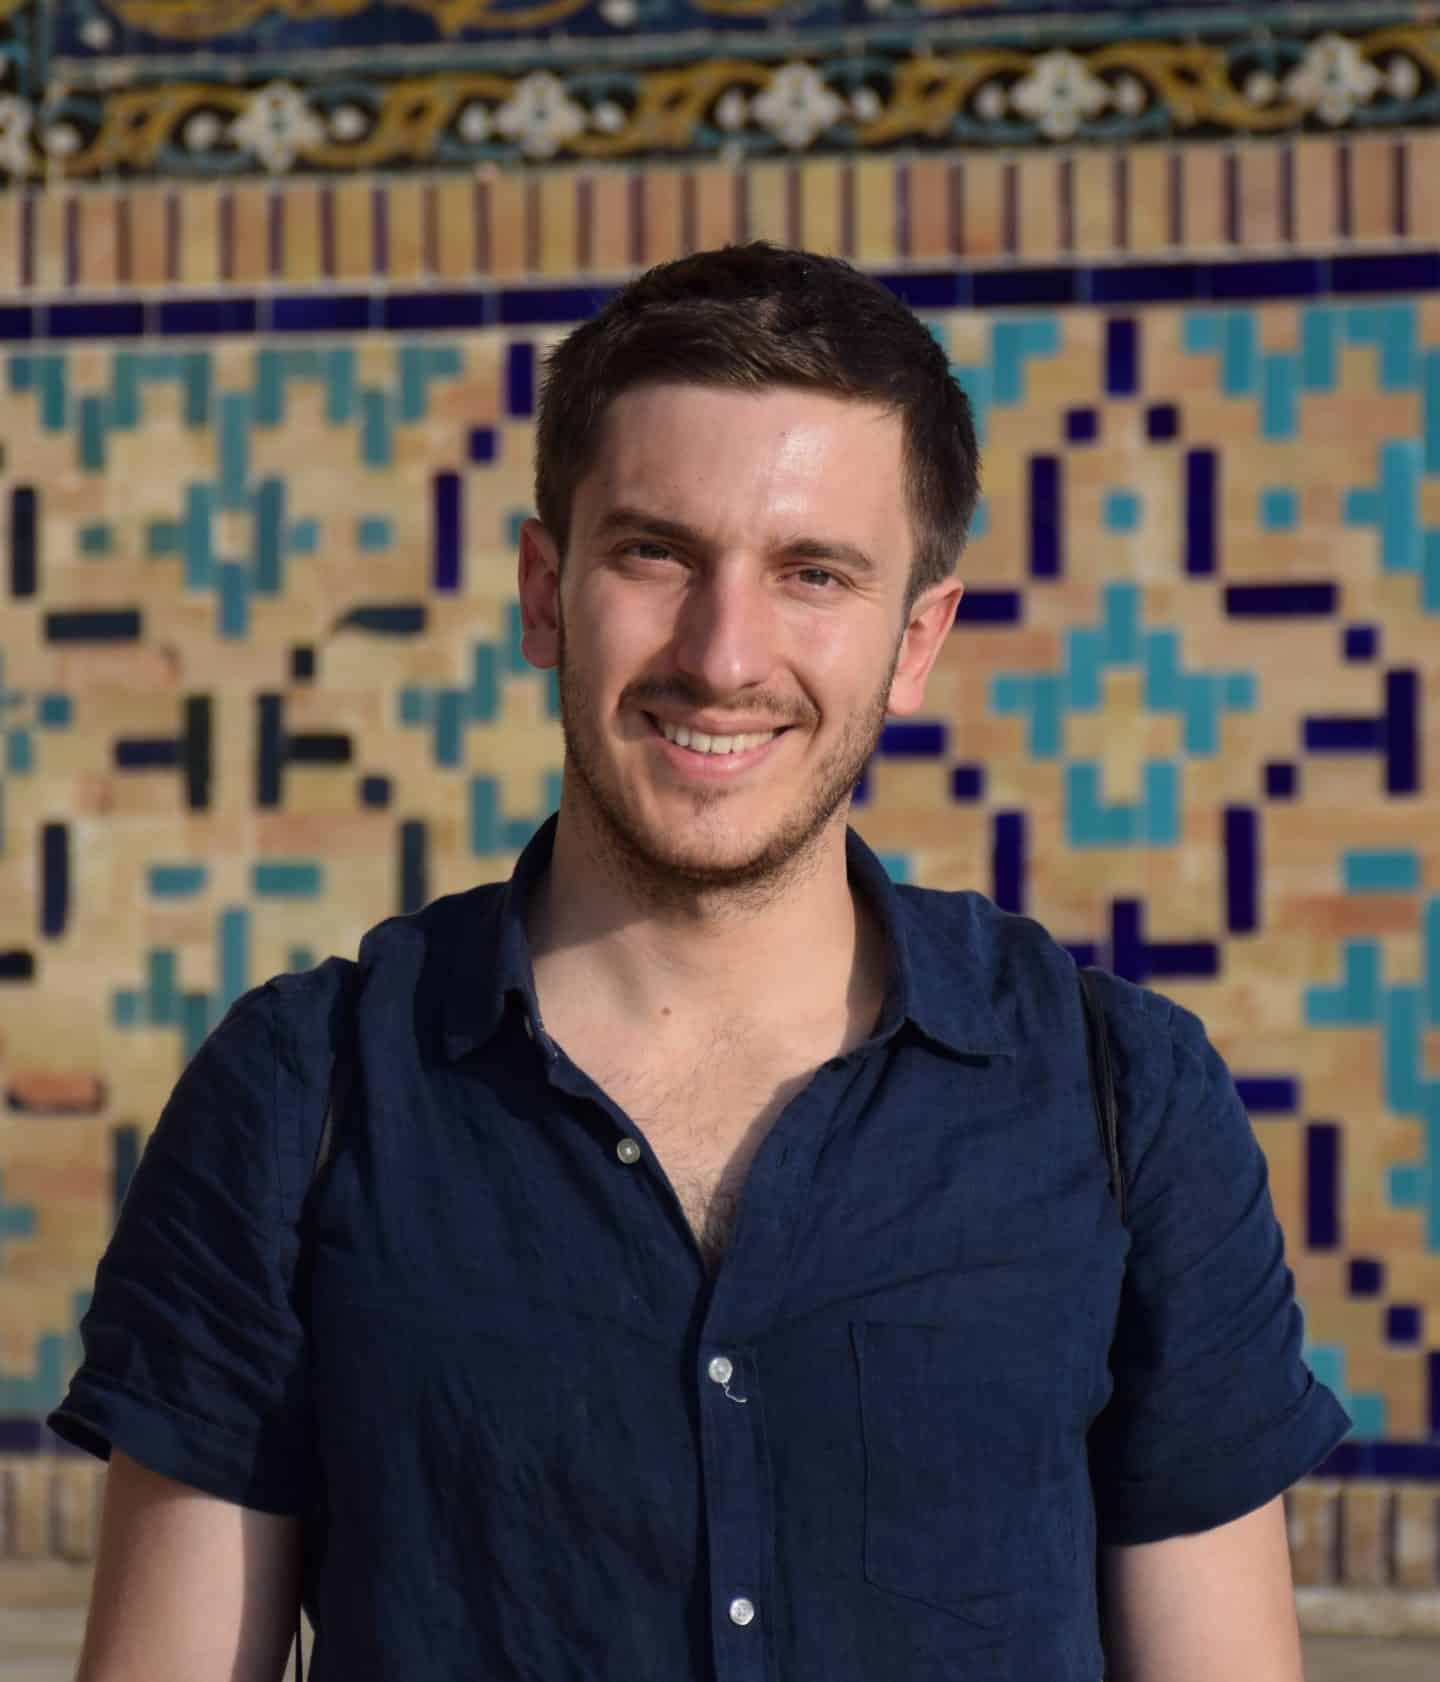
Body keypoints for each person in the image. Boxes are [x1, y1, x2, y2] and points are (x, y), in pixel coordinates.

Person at [49, 241, 1350, 1682]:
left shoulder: (1120, 1103)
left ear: (916, 641)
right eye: (656, 552)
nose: (725, 654)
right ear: (545, 591)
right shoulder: (302, 1098)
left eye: (813, 572)